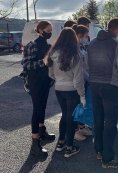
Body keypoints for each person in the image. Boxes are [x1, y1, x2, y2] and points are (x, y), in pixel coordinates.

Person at [86, 18, 118, 168]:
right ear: (117, 30)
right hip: (110, 85)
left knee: (98, 119)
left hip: (94, 85)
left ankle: (98, 150)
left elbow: (86, 65)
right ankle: (108, 158)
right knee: (110, 122)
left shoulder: (91, 44)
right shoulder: (117, 44)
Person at [44, 27, 85, 158]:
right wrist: (82, 95)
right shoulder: (75, 55)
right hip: (72, 89)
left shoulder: (53, 53)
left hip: (58, 88)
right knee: (71, 117)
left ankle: (61, 142)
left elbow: (50, 73)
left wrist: (59, 79)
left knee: (64, 115)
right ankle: (70, 147)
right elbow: (78, 78)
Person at [20, 20, 55, 157]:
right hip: (35, 82)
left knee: (43, 107)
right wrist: (43, 62)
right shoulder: (32, 45)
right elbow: (26, 65)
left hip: (46, 81)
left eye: (51, 30)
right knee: (37, 109)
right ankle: (35, 144)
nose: (50, 32)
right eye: (48, 30)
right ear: (40, 30)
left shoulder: (49, 46)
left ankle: (42, 130)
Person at [72, 24, 92, 141]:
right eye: (85, 36)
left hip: (84, 80)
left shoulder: (82, 46)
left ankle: (82, 126)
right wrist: (90, 78)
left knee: (82, 105)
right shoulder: (74, 48)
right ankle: (75, 131)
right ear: (79, 35)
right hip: (78, 81)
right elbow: (80, 69)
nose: (87, 38)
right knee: (76, 106)